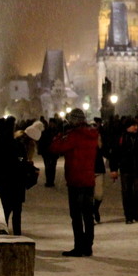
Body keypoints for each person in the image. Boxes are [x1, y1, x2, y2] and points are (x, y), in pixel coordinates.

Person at [49, 108, 100, 257]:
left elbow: (54, 148)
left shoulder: (73, 135)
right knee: (88, 215)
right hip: (89, 178)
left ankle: (79, 246)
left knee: (76, 215)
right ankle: (88, 245)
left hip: (75, 179)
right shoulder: (92, 134)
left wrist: (61, 134)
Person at [0, 117, 27, 235]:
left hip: (4, 181)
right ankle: (17, 234)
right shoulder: (17, 145)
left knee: (6, 209)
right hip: (16, 181)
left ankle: (5, 232)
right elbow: (22, 160)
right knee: (17, 211)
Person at [109, 118, 138, 223]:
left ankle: (134, 210)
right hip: (125, 169)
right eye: (133, 125)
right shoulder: (121, 138)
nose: (136, 127)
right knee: (126, 193)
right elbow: (114, 155)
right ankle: (128, 215)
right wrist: (114, 169)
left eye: (136, 125)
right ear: (127, 127)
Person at [38, 117, 60, 187]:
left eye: (53, 123)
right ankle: (48, 181)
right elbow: (41, 142)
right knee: (48, 167)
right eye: (51, 123)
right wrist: (41, 151)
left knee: (52, 167)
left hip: (53, 152)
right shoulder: (45, 132)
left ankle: (51, 181)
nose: (51, 124)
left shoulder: (57, 132)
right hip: (47, 152)